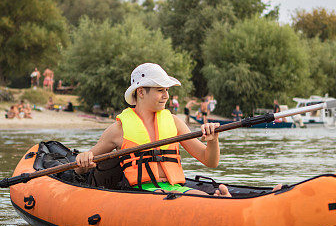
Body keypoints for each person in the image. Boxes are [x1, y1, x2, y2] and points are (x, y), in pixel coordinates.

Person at [75, 63, 230, 197]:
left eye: (167, 90)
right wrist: (84, 160)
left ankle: (220, 203)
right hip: (141, 193)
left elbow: (210, 161)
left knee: (201, 196)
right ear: (141, 92)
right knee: (166, 196)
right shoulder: (118, 130)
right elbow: (81, 168)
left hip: (174, 189)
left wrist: (213, 140)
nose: (166, 96)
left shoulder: (174, 122)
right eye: (160, 90)